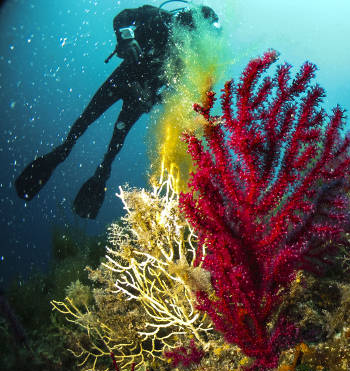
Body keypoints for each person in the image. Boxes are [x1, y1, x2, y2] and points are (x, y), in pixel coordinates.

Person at [15, 2, 220, 219]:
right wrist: (126, 39)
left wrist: (151, 100)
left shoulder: (188, 54)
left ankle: (95, 170)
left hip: (138, 94)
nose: (190, 33)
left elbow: (173, 90)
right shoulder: (158, 17)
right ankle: (68, 154)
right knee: (92, 125)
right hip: (123, 79)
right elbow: (123, 17)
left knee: (108, 140)